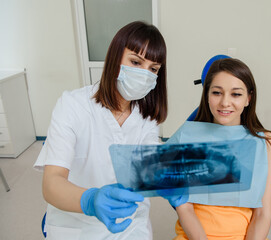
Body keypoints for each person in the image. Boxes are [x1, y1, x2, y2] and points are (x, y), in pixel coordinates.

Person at [34, 21, 185, 240]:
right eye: (135, 62)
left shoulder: (146, 116)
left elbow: (150, 160)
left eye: (153, 69)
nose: (145, 74)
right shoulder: (72, 105)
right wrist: (91, 200)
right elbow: (51, 184)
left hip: (129, 221)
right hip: (75, 223)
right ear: (115, 58)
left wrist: (168, 175)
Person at [173, 58, 271, 240]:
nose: (225, 102)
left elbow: (263, 213)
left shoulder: (267, 142)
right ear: (207, 95)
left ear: (249, 98)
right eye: (217, 92)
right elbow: (184, 208)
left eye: (236, 94)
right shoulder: (186, 137)